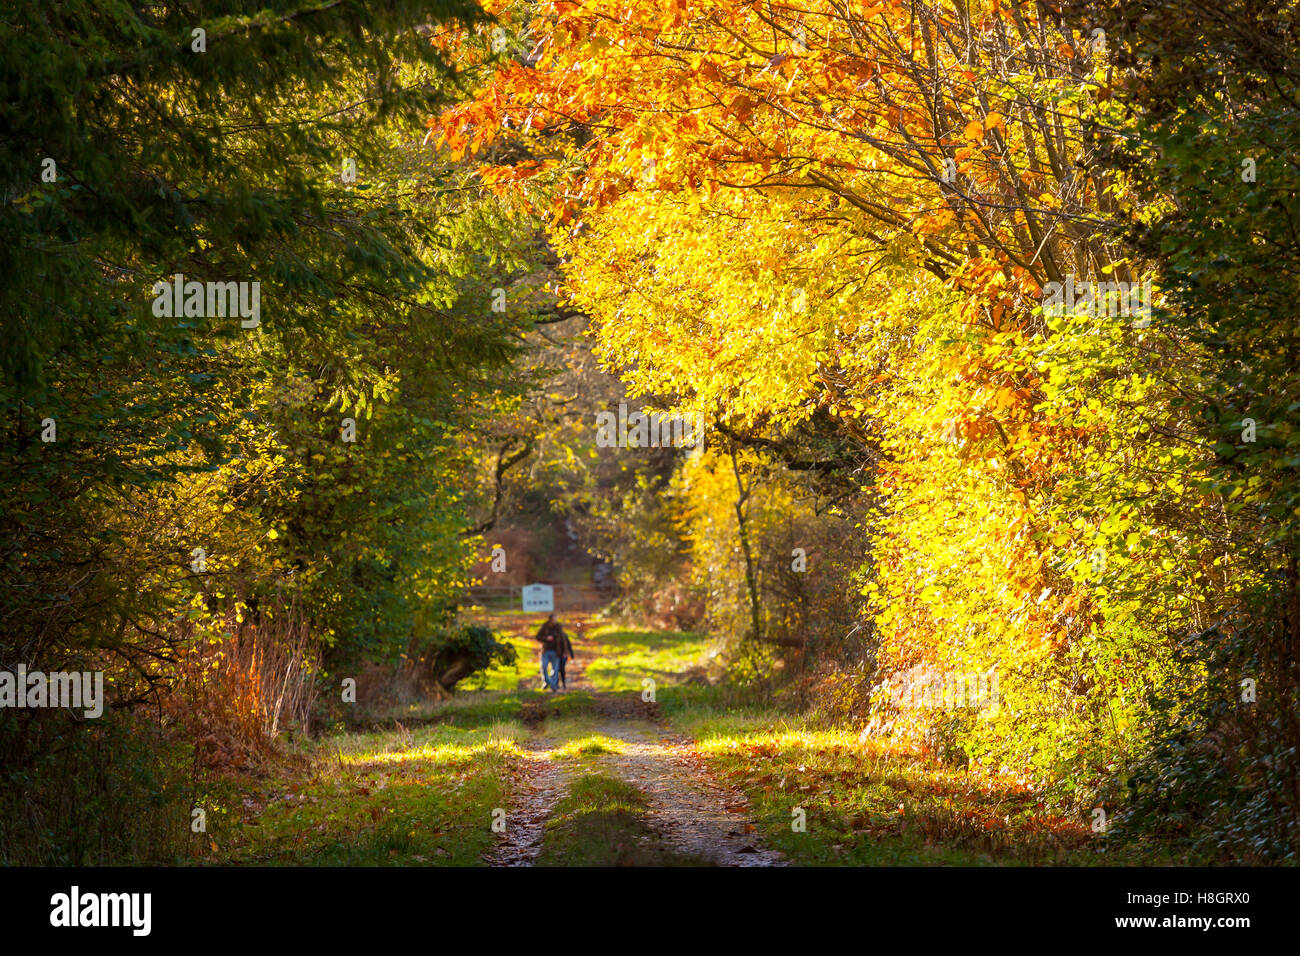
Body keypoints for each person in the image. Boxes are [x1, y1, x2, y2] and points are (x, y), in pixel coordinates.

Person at [535, 614, 563, 691]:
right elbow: (538, 636)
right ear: (550, 619)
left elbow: (562, 639)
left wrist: (564, 651)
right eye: (553, 619)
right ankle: (547, 681)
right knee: (543, 667)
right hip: (545, 650)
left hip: (556, 651)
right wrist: (546, 638)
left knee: (555, 669)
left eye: (555, 619)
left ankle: (553, 685)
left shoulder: (558, 627)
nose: (554, 621)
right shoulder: (545, 627)